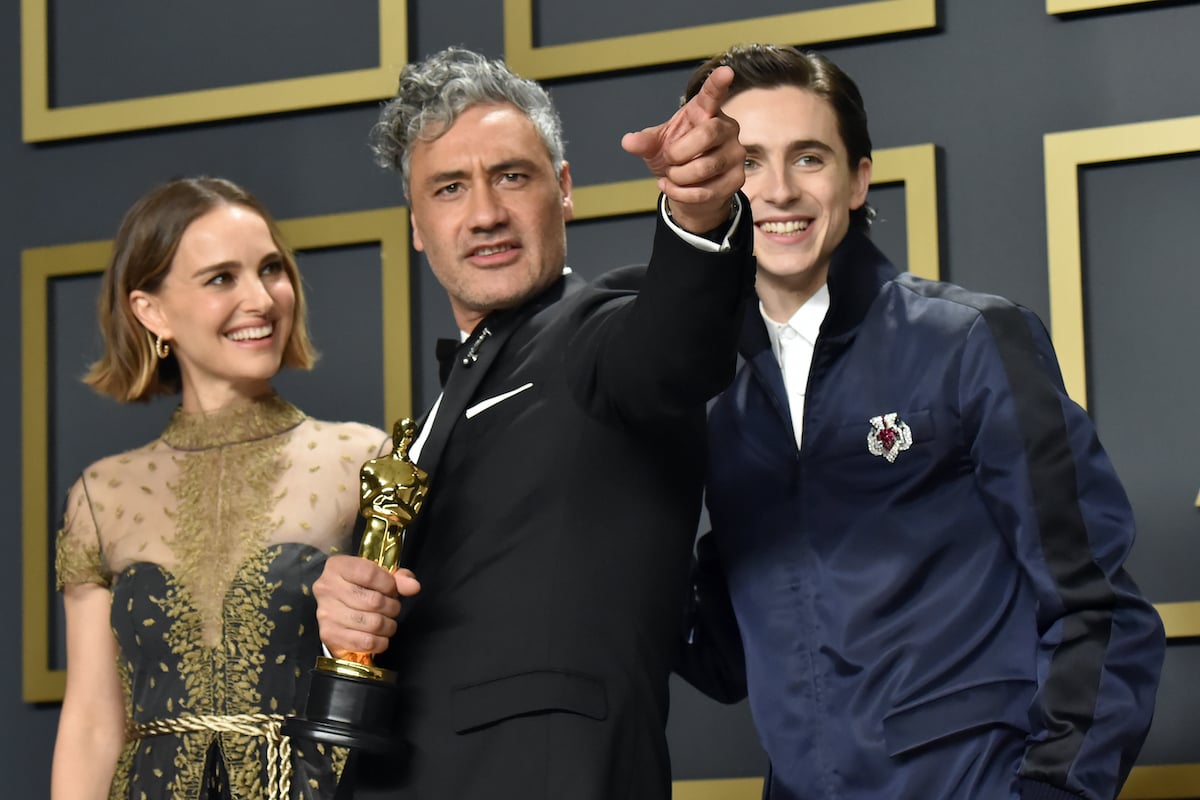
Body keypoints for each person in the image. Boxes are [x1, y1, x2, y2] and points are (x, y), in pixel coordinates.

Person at [674, 44, 1166, 800]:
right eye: (747, 161)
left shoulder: (969, 342)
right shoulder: (725, 406)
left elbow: (1099, 608)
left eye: (808, 158)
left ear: (858, 177)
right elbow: (726, 661)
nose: (777, 190)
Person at [310, 47, 753, 799]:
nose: (485, 214)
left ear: (565, 189)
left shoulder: (602, 334)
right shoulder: (431, 414)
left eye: (511, 176)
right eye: (449, 188)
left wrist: (699, 214)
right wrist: (345, 610)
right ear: (418, 225)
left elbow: (675, 346)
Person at [51, 177, 391, 800]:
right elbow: (93, 723)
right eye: (220, 278)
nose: (260, 299)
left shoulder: (361, 459)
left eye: (271, 270)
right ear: (150, 311)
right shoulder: (100, 497)